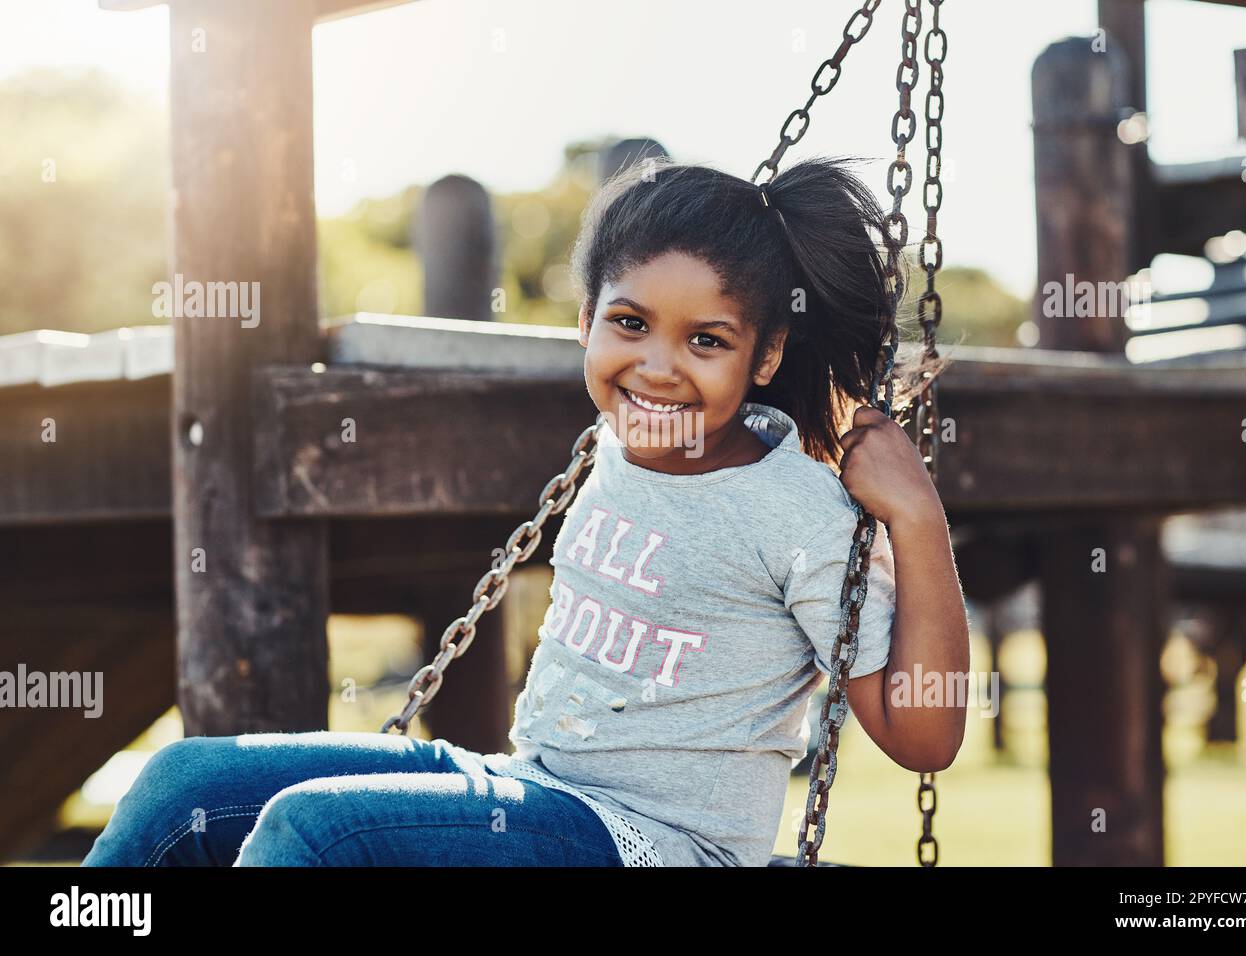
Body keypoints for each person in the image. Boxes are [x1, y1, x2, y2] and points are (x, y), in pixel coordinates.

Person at [83, 155, 968, 868]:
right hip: (531, 788)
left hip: (655, 843)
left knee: (312, 834)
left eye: (706, 340)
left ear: (765, 356)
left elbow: (924, 735)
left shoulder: (794, 509)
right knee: (182, 784)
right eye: (630, 323)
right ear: (586, 320)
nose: (658, 367)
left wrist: (918, 518)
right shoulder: (616, 439)